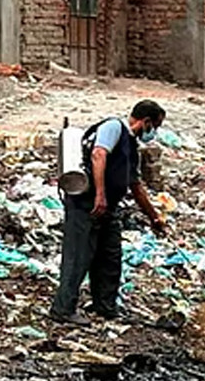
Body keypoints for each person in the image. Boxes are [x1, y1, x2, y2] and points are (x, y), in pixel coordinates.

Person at [51, 100, 169, 326]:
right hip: (86, 204)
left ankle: (105, 305)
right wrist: (100, 195)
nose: (154, 132)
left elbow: (136, 186)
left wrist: (154, 218)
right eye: (155, 126)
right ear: (145, 121)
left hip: (109, 208)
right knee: (78, 257)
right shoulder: (114, 127)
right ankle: (62, 309)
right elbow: (98, 154)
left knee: (109, 257)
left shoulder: (132, 147)